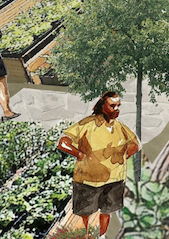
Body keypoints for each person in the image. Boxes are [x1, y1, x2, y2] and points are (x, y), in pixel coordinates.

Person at [56, 92, 140, 239]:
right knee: (84, 214)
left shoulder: (119, 127)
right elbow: (63, 142)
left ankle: (102, 236)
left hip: (114, 179)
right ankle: (86, 236)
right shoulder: (87, 124)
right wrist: (80, 155)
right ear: (103, 106)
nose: (116, 109)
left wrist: (123, 157)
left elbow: (135, 145)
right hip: (88, 180)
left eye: (118, 106)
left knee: (106, 212)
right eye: (112, 106)